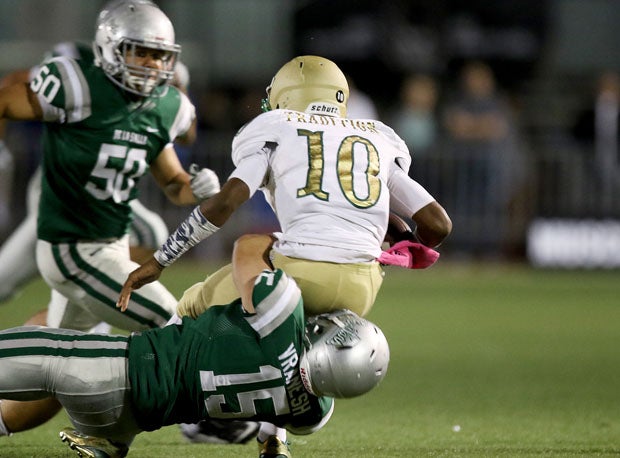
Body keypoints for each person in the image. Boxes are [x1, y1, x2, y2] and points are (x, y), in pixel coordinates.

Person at [118, 54, 452, 455]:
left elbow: (225, 204)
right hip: (362, 285)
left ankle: (121, 429)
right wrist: (389, 240)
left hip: (301, 270)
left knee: (193, 305)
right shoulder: (378, 135)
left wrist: (159, 261)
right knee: (288, 349)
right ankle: (273, 440)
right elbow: (437, 225)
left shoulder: (276, 126)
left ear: (288, 95)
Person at [0, 0, 224, 441]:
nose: (151, 64)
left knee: (60, 371)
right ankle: (199, 422)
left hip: (110, 245)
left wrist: (193, 186)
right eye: (140, 52)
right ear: (109, 49)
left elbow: (172, 181)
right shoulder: (77, 86)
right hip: (73, 249)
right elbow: (6, 96)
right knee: (170, 324)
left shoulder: (164, 106)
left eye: (160, 55)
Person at [0, 265, 390, 458]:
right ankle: (107, 442)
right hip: (128, 422)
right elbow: (284, 413)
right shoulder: (314, 414)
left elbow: (252, 249)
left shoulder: (281, 313)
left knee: (51, 351)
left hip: (115, 372)